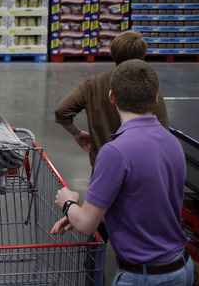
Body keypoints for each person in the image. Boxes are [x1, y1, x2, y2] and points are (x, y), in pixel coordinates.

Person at [51, 59, 191, 285]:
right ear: (156, 99)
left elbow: (86, 226)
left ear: (112, 97)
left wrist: (70, 204)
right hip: (181, 268)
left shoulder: (114, 152)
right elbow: (146, 204)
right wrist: (87, 213)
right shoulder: (172, 143)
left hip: (143, 277)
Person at [54, 30, 168, 167]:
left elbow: (61, 111)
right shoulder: (151, 90)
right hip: (140, 168)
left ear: (113, 54)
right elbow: (162, 135)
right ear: (143, 56)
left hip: (103, 166)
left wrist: (77, 133)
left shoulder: (92, 85)